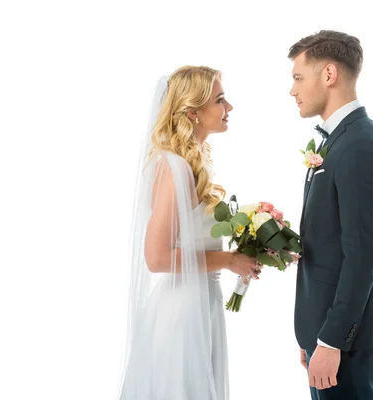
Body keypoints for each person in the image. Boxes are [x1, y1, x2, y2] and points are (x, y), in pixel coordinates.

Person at [118, 65, 259, 400]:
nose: (229, 108)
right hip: (181, 313)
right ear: (193, 112)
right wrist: (228, 259)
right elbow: (156, 258)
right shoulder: (175, 168)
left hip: (200, 304)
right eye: (220, 100)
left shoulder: (191, 163)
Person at [289, 30, 373, 399]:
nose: (293, 90)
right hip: (326, 331)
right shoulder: (338, 139)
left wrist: (332, 340)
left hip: (347, 341)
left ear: (329, 74)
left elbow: (363, 253)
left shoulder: (361, 143)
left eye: (298, 77)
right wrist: (313, 332)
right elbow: (333, 237)